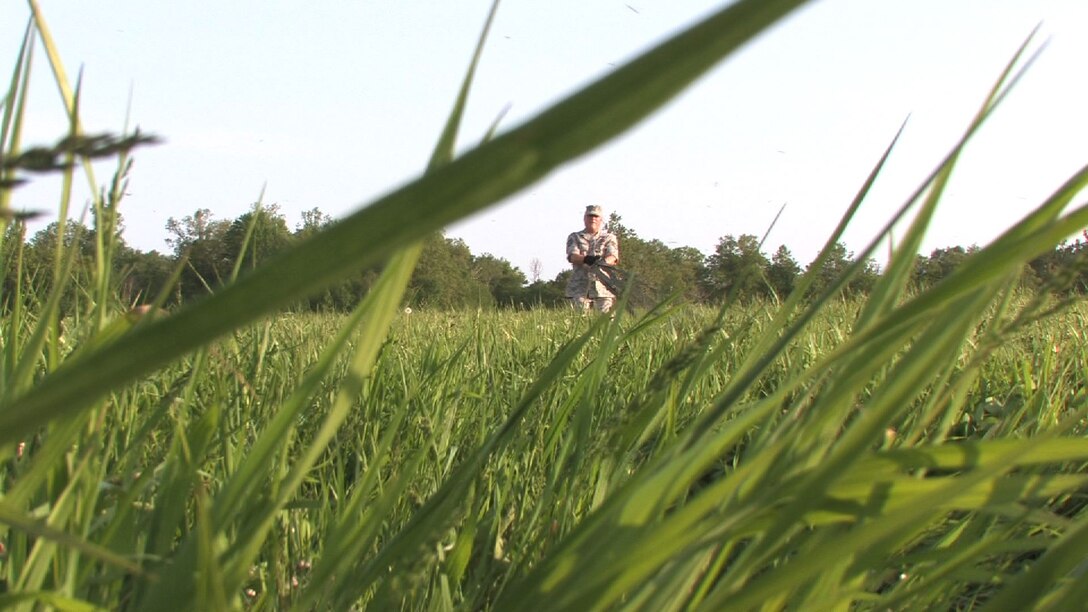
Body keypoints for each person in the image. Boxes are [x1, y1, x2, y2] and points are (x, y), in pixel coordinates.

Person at [565, 205, 620, 313]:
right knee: (579, 319)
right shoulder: (575, 237)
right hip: (580, 287)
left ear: (601, 220)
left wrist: (603, 262)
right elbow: (572, 256)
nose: (593, 219)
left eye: (596, 216)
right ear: (585, 218)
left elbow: (613, 257)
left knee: (606, 319)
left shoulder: (609, 237)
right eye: (590, 216)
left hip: (603, 286)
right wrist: (587, 259)